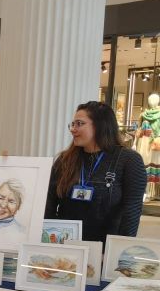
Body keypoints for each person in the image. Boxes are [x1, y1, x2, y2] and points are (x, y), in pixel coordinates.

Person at [46, 101, 147, 243]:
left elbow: (131, 214)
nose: (73, 129)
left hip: (104, 250)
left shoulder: (129, 161)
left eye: (79, 124)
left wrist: (116, 252)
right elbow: (48, 203)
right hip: (64, 247)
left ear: (100, 125)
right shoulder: (64, 160)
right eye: (73, 124)